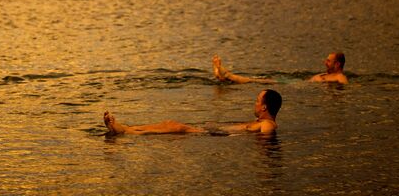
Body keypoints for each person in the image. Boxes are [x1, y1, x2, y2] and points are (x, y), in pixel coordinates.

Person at [103, 89, 282, 136]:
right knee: (170, 123)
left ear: (264, 107)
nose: (255, 103)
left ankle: (125, 131)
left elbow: (266, 135)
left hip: (217, 135)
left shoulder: (267, 124)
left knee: (176, 127)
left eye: (257, 101)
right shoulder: (263, 123)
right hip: (217, 132)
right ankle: (126, 128)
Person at [213, 52, 348, 85]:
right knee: (259, 80)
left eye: (328, 61)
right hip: (298, 82)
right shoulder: (327, 74)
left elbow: (345, 87)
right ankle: (223, 76)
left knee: (257, 81)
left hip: (299, 85)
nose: (325, 62)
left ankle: (227, 75)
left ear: (337, 64)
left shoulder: (339, 77)